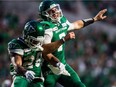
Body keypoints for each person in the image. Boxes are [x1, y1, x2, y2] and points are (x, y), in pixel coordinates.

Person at [38, 0, 107, 87]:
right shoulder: (46, 27)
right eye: (51, 11)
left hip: (62, 65)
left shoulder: (61, 21)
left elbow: (76, 25)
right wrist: (63, 40)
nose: (55, 12)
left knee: (79, 85)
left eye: (55, 9)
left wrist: (94, 19)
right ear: (45, 14)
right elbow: (45, 52)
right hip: (48, 70)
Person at [8, 20, 75, 87]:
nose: (37, 44)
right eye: (34, 41)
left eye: (39, 41)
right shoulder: (18, 44)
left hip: (37, 78)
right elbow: (17, 65)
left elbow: (49, 56)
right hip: (22, 76)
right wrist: (25, 72)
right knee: (19, 83)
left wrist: (58, 63)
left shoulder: (39, 45)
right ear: (26, 35)